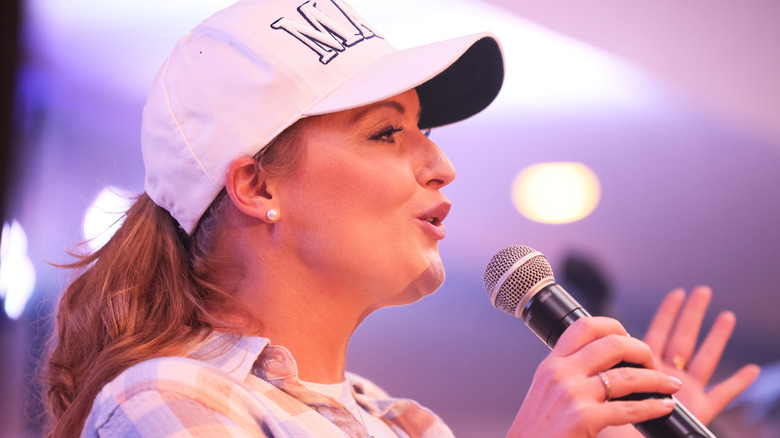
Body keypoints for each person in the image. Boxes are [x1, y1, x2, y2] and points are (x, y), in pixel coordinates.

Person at [42, 0, 759, 437]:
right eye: (387, 133)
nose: (441, 165)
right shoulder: (165, 400)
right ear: (257, 185)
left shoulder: (406, 425)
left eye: (425, 130)